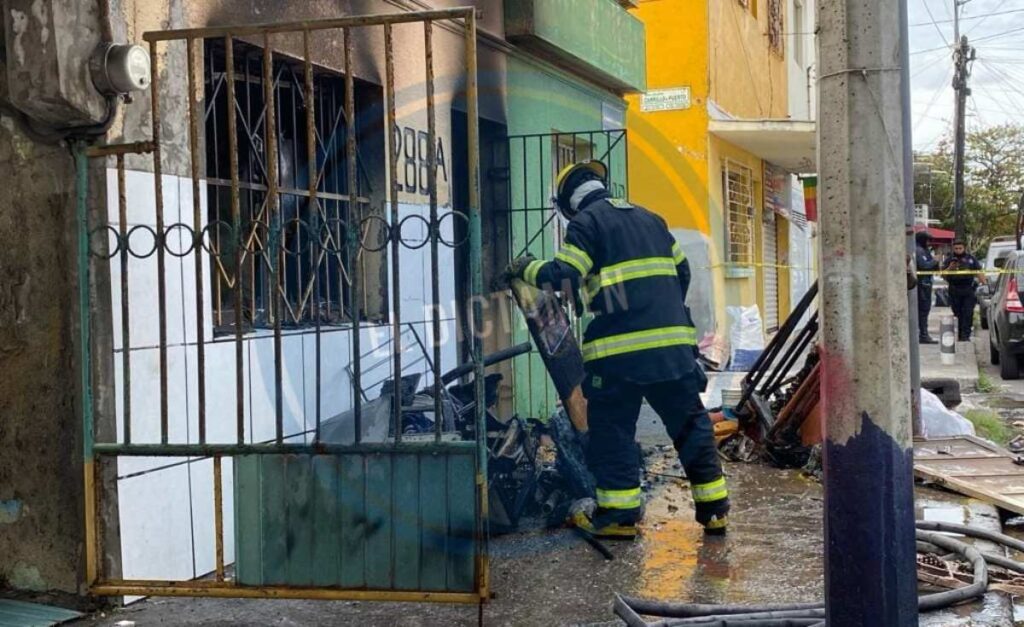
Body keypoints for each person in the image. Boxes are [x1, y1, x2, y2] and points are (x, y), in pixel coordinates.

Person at [505, 160, 728, 538]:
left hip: (618, 357)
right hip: (673, 350)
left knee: (613, 432)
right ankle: (715, 512)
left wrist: (526, 269)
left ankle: (620, 519)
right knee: (691, 428)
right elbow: (683, 272)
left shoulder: (586, 224)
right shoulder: (651, 219)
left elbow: (565, 275)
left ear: (567, 205)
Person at [942, 240, 986, 342]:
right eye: (956, 248)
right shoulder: (949, 260)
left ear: (964, 248)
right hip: (954, 289)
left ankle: (965, 335)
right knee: (958, 312)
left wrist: (984, 284)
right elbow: (943, 275)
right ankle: (961, 333)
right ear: (953, 249)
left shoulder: (971, 259)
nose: (958, 250)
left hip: (968, 289)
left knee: (968, 312)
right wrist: (950, 268)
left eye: (960, 248)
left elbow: (979, 272)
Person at [916, 231, 939, 343]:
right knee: (923, 310)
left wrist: (935, 262)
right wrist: (934, 261)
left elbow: (934, 267)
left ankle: (924, 334)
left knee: (925, 310)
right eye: (928, 241)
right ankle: (923, 335)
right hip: (921, 284)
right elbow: (924, 266)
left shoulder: (925, 251)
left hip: (926, 283)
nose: (930, 243)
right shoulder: (919, 251)